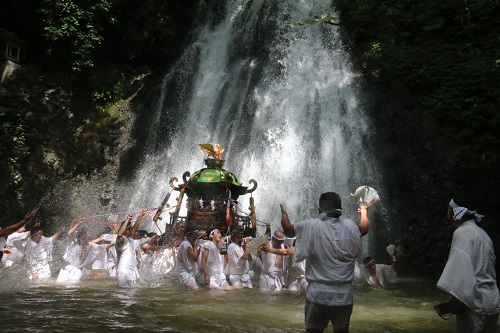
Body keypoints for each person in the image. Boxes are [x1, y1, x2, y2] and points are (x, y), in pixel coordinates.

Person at [280, 192, 370, 333]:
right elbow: (364, 228)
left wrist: (284, 211)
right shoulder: (350, 227)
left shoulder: (311, 225)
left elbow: (287, 229)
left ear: (319, 210)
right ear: (341, 210)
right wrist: (364, 212)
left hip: (317, 295)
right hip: (343, 296)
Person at [437, 199, 500, 333]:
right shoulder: (482, 233)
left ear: (456, 212)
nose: (447, 212)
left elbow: (460, 272)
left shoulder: (462, 232)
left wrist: (455, 303)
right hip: (492, 302)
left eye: (449, 208)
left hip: (474, 304)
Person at [115, 210, 160, 288]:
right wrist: (128, 220)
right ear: (126, 230)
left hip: (131, 272)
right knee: (124, 295)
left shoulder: (131, 241)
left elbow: (134, 230)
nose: (133, 231)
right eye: (130, 229)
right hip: (123, 272)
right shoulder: (120, 241)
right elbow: (120, 234)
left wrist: (140, 217)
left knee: (132, 295)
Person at [176, 225, 201, 290]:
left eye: (197, 235)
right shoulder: (187, 245)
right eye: (194, 235)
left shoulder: (186, 243)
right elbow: (195, 259)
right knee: (197, 291)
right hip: (185, 273)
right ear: (188, 235)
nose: (196, 237)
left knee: (188, 291)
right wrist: (195, 246)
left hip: (185, 271)